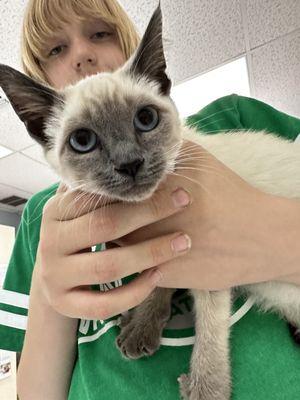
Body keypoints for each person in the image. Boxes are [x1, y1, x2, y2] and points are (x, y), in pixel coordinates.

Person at [1, 0, 300, 399]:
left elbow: (202, 264)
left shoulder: (231, 121)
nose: (127, 161)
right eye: (84, 139)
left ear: (156, 80)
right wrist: (46, 287)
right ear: (41, 126)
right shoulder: (40, 218)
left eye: (99, 33)